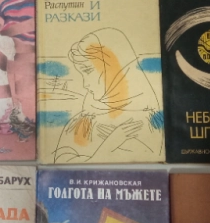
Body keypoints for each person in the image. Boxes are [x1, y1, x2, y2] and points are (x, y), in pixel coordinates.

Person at [54, 28, 163, 163]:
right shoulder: (83, 122)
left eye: (87, 71)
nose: (85, 84)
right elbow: (61, 163)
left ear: (114, 68)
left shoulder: (155, 122)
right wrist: (109, 145)